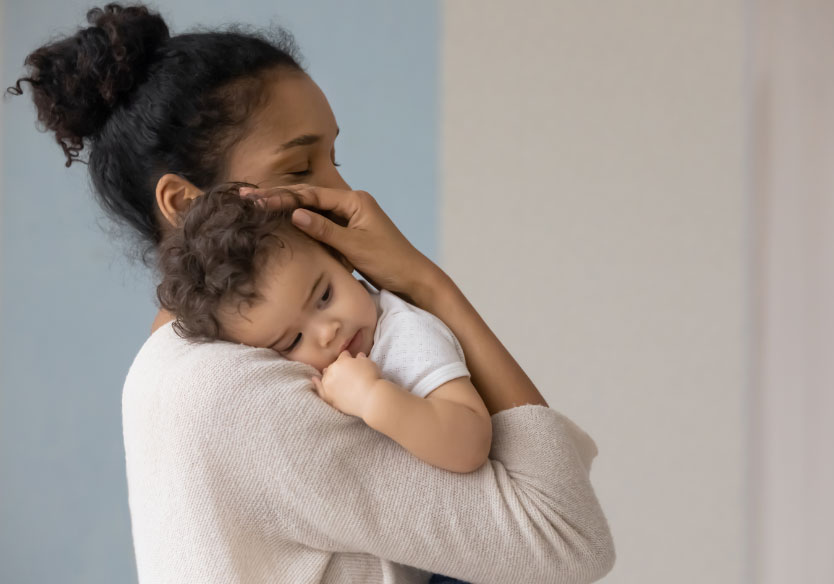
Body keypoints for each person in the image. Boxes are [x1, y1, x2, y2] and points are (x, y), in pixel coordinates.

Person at [9, 4, 615, 583]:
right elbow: (566, 537)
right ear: (187, 205)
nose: (349, 195)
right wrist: (427, 284)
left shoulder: (188, 367)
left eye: (335, 158)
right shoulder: (236, 394)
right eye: (300, 169)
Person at [155, 184, 492, 475]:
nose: (328, 332)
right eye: (294, 340)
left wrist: (373, 398)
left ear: (341, 258)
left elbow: (471, 441)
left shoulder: (405, 335)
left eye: (325, 296)